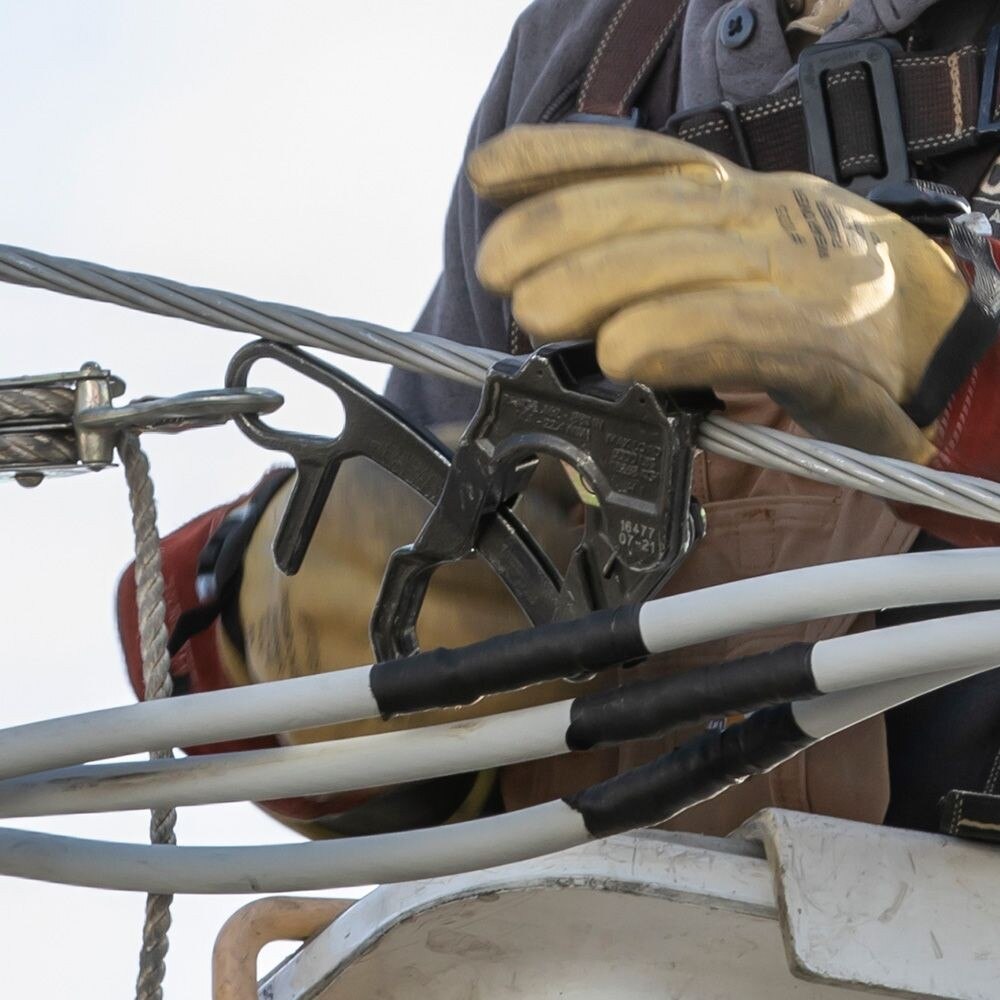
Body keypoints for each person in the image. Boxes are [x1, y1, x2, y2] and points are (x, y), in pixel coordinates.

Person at [119, 0, 1000, 840]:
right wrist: (274, 648)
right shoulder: (588, 59)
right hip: (619, 923)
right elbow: (438, 784)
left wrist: (954, 374)